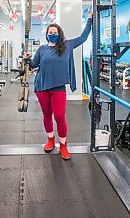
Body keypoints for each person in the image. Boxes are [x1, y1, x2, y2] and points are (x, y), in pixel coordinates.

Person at [24, 13, 92, 160]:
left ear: (59, 34)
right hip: (42, 86)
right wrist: (27, 59)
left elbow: (84, 37)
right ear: (47, 35)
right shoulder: (42, 49)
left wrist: (90, 19)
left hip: (58, 87)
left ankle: (63, 144)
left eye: (55, 33)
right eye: (50, 33)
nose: (52, 34)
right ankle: (50, 139)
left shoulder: (67, 45)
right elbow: (34, 65)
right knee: (47, 115)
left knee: (60, 116)